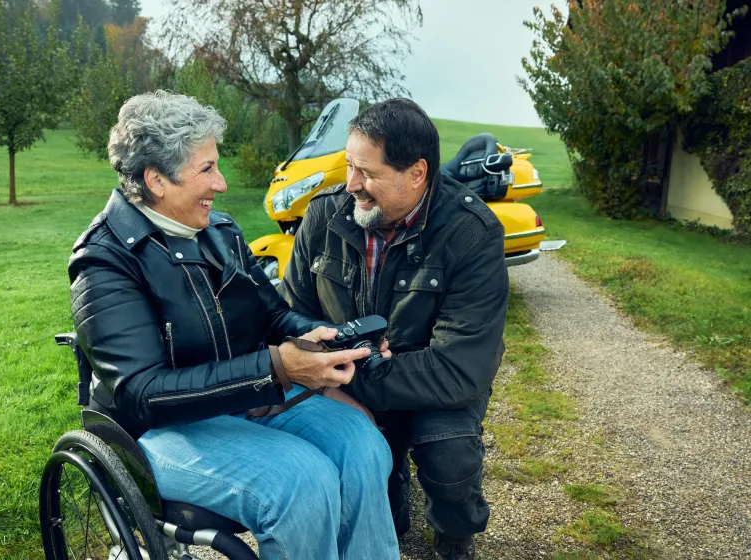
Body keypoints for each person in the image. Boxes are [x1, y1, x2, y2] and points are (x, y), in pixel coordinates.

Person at [68, 91, 400, 559]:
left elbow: (273, 315)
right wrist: (276, 369)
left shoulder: (220, 232)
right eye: (206, 169)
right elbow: (144, 394)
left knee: (364, 447)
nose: (221, 183)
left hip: (248, 397)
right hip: (156, 432)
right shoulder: (104, 261)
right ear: (156, 179)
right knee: (301, 481)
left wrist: (326, 340)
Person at [280, 98, 509, 560]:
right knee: (372, 497)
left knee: (449, 453)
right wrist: (328, 377)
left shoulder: (472, 233)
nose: (351, 184)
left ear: (417, 173)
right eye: (349, 166)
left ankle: (454, 536)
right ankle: (391, 490)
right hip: (346, 377)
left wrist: (352, 376)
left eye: (366, 172)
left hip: (430, 385)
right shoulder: (324, 215)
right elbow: (288, 316)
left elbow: (459, 368)